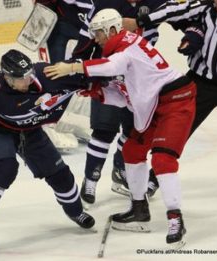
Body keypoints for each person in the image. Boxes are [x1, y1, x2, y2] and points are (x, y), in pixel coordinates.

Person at [44, 8, 196, 246]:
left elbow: (110, 67)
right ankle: (139, 211)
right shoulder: (121, 47)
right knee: (132, 151)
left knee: (163, 160)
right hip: (153, 104)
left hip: (175, 100)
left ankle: (176, 218)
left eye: (99, 33)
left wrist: (72, 67)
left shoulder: (126, 46)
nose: (96, 38)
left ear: (113, 29)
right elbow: (124, 95)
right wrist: (93, 91)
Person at [0, 49, 95, 255]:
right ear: (7, 77)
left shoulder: (48, 74)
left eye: (29, 75)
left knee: (60, 175)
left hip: (29, 131)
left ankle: (76, 212)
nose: (27, 80)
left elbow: (87, 73)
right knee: (5, 169)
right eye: (21, 78)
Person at [121, 0, 217, 196]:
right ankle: (153, 179)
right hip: (200, 84)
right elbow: (172, 9)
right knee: (175, 130)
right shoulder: (204, 8)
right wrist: (140, 22)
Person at [71, 0, 169, 206]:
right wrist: (79, 70)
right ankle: (91, 179)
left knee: (134, 130)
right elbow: (84, 44)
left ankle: (120, 169)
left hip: (136, 79)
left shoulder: (156, 4)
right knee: (104, 130)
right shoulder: (105, 3)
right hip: (105, 75)